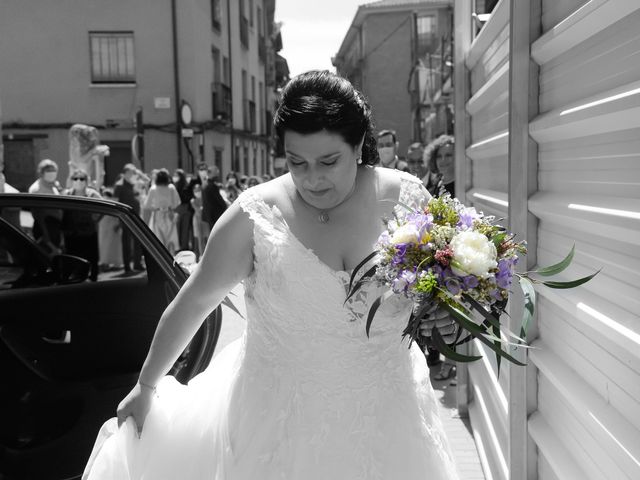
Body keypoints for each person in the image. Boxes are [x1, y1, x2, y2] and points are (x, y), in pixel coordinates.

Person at [82, 70, 459, 480]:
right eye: (297, 162)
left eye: (328, 161)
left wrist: (446, 315)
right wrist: (146, 384)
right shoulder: (254, 216)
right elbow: (195, 300)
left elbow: (438, 294)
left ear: (358, 145)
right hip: (278, 424)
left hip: (390, 417)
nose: (312, 177)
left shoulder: (407, 198)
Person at [62, 169, 102, 281]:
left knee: (92, 260)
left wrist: (95, 219)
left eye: (81, 179)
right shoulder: (66, 194)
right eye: (75, 179)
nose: (78, 181)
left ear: (86, 180)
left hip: (89, 234)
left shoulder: (92, 194)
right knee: (72, 260)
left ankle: (93, 282)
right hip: (71, 234)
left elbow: (103, 210)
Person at [28, 159, 63, 254]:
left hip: (56, 226)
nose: (51, 173)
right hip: (45, 227)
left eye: (53, 170)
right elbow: (37, 213)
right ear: (42, 172)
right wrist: (45, 235)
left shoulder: (54, 185)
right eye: (48, 171)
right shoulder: (36, 189)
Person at [113, 164, 144, 272]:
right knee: (126, 242)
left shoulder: (134, 184)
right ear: (126, 173)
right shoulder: (119, 185)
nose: (134, 175)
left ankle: (137, 263)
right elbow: (115, 201)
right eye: (132, 172)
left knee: (137, 240)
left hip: (135, 215)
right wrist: (118, 218)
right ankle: (127, 265)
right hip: (125, 216)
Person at [144, 168, 181, 255]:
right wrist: (170, 207)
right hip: (169, 214)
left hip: (157, 214)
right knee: (170, 236)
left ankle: (160, 258)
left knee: (158, 237)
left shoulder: (153, 189)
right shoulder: (171, 187)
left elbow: (147, 205)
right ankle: (171, 258)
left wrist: (155, 207)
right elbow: (177, 202)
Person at [172, 168, 194, 251]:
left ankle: (182, 247)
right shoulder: (175, 186)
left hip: (181, 208)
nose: (175, 177)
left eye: (176, 175)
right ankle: (182, 247)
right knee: (181, 229)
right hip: (182, 208)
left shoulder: (181, 186)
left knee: (182, 229)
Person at [201, 165, 228, 230]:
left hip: (208, 215)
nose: (217, 176)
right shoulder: (212, 186)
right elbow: (219, 200)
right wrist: (225, 207)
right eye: (216, 174)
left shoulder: (204, 184)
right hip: (215, 215)